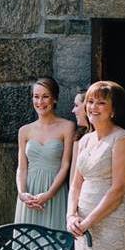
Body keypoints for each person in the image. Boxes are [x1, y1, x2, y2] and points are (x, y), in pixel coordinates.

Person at [68, 81, 125, 250]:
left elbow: (118, 190)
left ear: (113, 110)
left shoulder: (121, 139)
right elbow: (75, 184)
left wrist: (88, 222)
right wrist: (71, 216)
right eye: (90, 101)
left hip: (113, 224)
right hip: (82, 227)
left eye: (100, 103)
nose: (92, 107)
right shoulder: (84, 141)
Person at [14, 77, 75, 231]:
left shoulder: (67, 127)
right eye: (36, 96)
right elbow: (22, 168)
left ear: (54, 99)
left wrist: (48, 194)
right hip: (29, 194)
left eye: (45, 96)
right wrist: (22, 193)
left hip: (54, 192)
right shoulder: (24, 131)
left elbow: (65, 166)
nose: (40, 102)